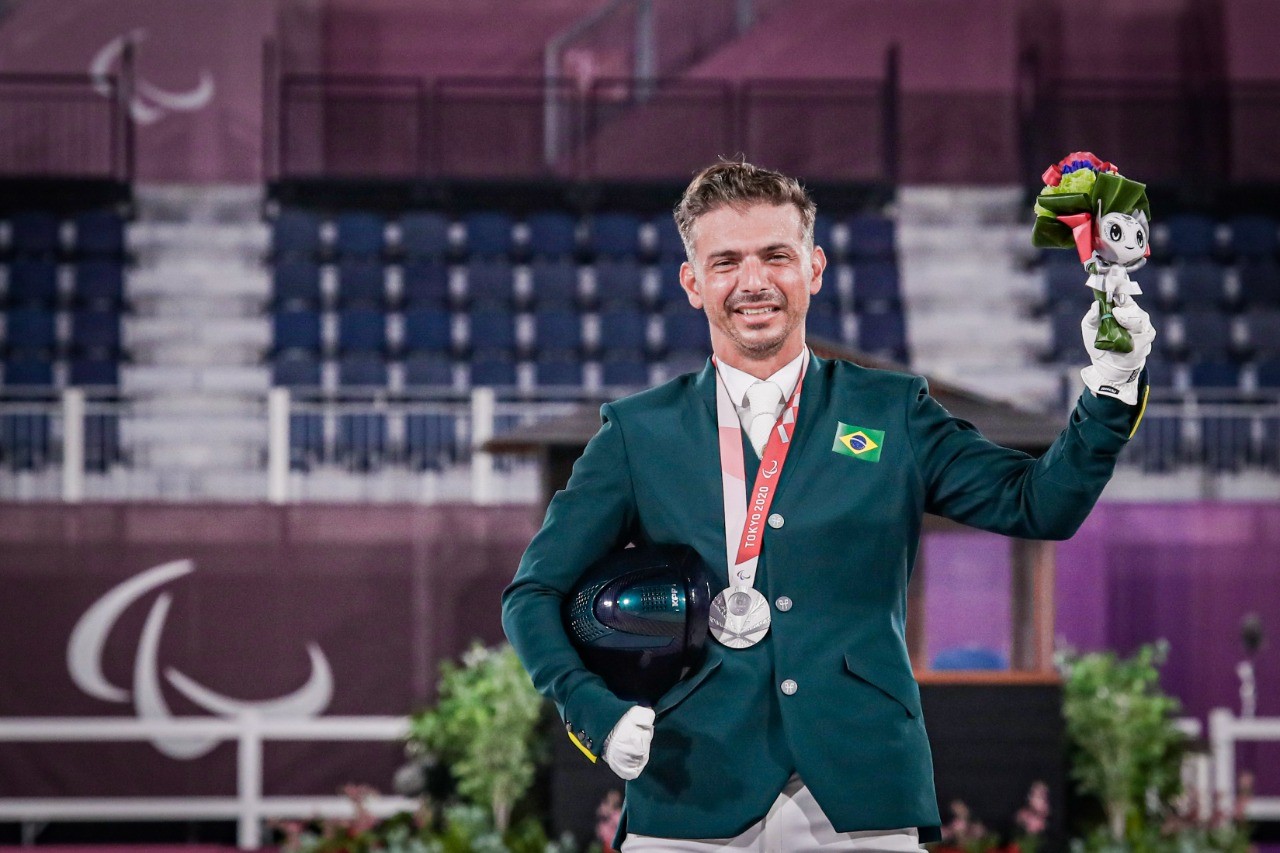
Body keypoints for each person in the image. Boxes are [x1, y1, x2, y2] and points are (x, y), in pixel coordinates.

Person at [501, 159, 1155, 852]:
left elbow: (1040, 505)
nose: (753, 281)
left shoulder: (891, 410)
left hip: (864, 789)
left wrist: (1112, 388)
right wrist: (595, 711)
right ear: (693, 283)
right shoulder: (638, 432)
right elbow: (532, 595)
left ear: (813, 268)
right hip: (688, 787)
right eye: (726, 262)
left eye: (775, 256)